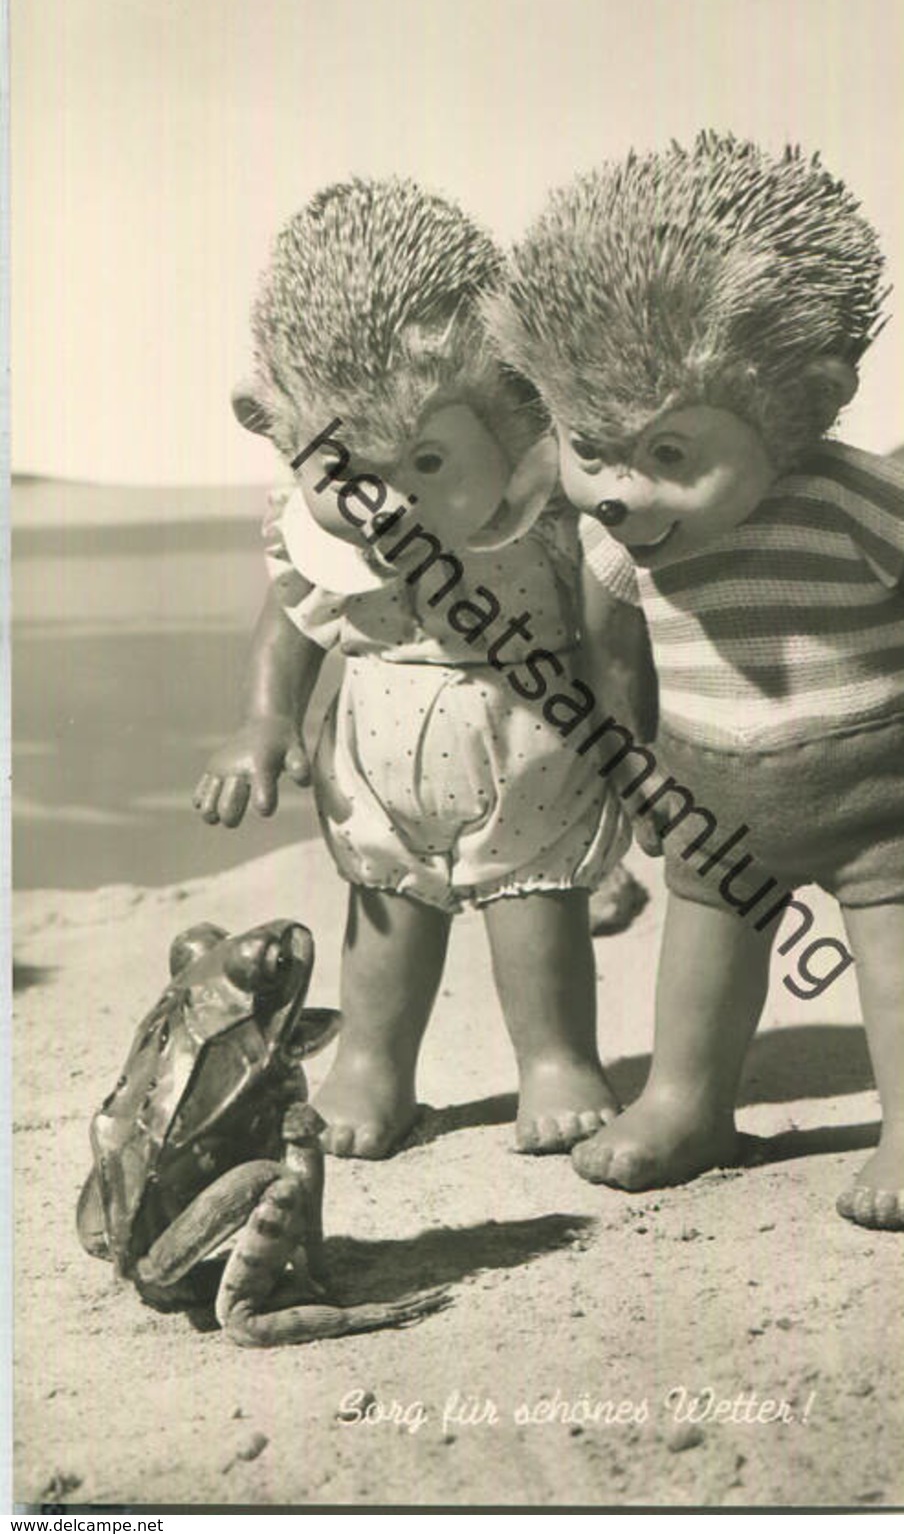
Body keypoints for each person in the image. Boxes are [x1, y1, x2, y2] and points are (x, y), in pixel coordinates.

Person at [483, 135, 904, 1227]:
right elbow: (612, 655)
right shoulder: (619, 541)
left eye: (668, 455)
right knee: (702, 949)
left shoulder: (856, 497)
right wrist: (630, 761)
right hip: (705, 791)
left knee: (902, 948)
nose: (616, 493)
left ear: (803, 404)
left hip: (878, 785)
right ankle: (689, 1104)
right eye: (586, 447)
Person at [195, 178, 629, 1159]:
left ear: (515, 413)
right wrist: (265, 720)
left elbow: (609, 625)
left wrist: (624, 730)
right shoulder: (319, 541)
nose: (386, 506)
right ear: (273, 424)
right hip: (379, 765)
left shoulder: (541, 514)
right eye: (349, 475)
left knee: (534, 909)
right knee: (386, 911)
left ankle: (555, 1058)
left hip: (532, 742)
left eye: (428, 464)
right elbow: (296, 619)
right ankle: (373, 1068)